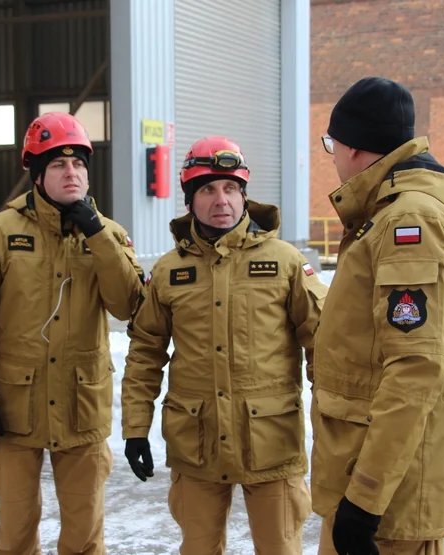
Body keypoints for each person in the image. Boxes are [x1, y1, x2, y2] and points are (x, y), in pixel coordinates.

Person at [0, 112, 144, 555]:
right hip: (14, 409)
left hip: (82, 407)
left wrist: (96, 235)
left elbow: (129, 305)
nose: (70, 173)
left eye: (78, 164)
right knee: (16, 533)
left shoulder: (109, 235)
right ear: (37, 175)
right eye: (57, 164)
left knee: (84, 536)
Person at [121, 135, 328, 555]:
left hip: (271, 444)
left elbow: (323, 345)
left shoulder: (285, 262)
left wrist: (332, 423)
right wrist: (135, 428)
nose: (222, 200)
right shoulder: (168, 271)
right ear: (189, 200)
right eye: (208, 189)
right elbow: (145, 352)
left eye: (231, 188)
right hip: (196, 444)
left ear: (245, 196)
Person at [310, 77, 444, 555]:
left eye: (331, 143)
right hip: (378, 478)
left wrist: (364, 501)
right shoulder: (394, 210)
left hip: (386, 498)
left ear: (355, 147)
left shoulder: (408, 221)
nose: (331, 156)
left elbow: (416, 367)